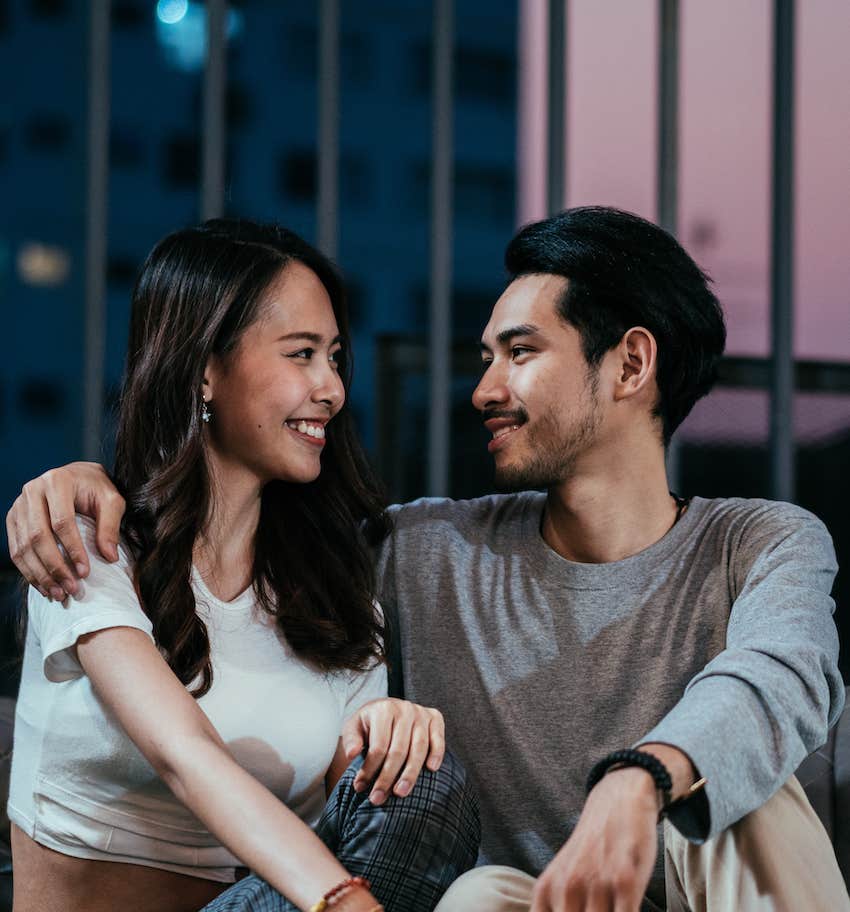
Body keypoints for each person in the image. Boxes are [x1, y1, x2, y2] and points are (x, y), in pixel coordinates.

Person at [7, 207, 847, 912]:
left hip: (691, 879)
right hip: (503, 900)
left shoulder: (761, 541)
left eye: (519, 354)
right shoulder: (416, 554)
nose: (483, 389)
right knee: (478, 893)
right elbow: (196, 720)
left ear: (630, 363)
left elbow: (783, 676)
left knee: (753, 801)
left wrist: (641, 781)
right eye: (486, 358)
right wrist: (77, 482)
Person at [4, 219, 479, 912]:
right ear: (205, 368)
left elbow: (358, 825)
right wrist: (341, 900)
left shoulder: (333, 600)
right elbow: (184, 754)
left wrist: (385, 740)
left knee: (425, 784)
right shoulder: (91, 540)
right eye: (302, 354)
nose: (333, 389)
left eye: (336, 357)